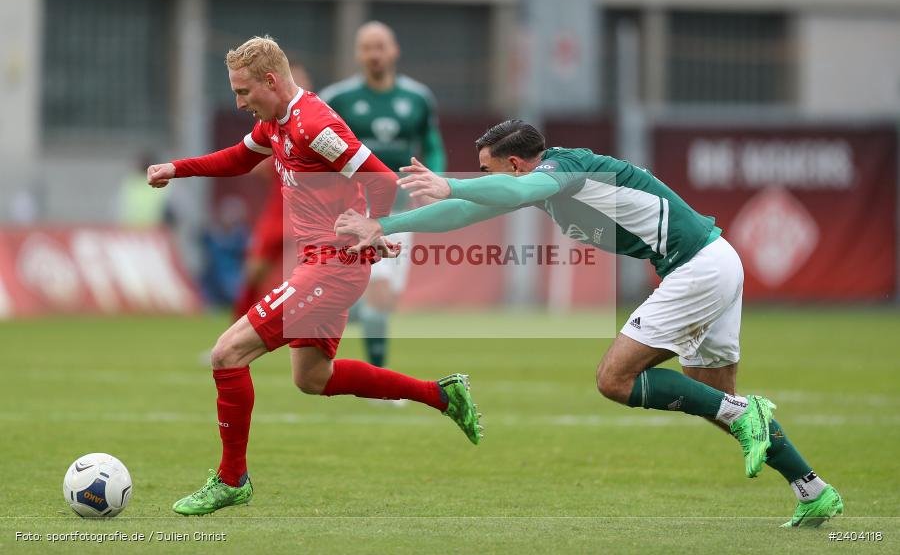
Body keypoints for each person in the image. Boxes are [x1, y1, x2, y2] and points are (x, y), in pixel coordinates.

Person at [334, 119, 844, 529]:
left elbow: (501, 193)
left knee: (615, 379)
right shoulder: (539, 183)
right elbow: (461, 213)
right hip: (713, 262)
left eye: (487, 170)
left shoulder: (563, 167)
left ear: (515, 165)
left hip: (698, 269)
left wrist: (450, 184)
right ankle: (812, 489)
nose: (482, 178)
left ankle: (746, 412)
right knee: (714, 399)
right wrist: (385, 225)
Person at [146, 36, 481, 516]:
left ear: (270, 81)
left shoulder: (313, 125)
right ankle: (441, 395)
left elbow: (381, 179)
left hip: (333, 266)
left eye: (243, 92)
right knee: (312, 377)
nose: (239, 103)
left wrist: (374, 227)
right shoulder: (275, 121)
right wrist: (176, 168)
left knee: (226, 354)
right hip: (319, 264)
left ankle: (231, 480)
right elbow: (240, 157)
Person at [318, 21, 447, 371]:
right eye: (367, 47)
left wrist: (432, 180)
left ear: (394, 51)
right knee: (378, 288)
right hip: (356, 210)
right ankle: (379, 380)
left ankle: (336, 309)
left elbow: (432, 145)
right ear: (357, 54)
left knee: (385, 297)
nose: (374, 54)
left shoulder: (417, 98)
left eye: (380, 46)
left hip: (401, 210)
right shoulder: (337, 99)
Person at [231, 63, 314, 321]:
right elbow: (252, 164)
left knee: (307, 276)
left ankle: (304, 331)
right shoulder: (271, 121)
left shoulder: (315, 120)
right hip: (277, 212)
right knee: (254, 272)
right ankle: (238, 328)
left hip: (308, 215)